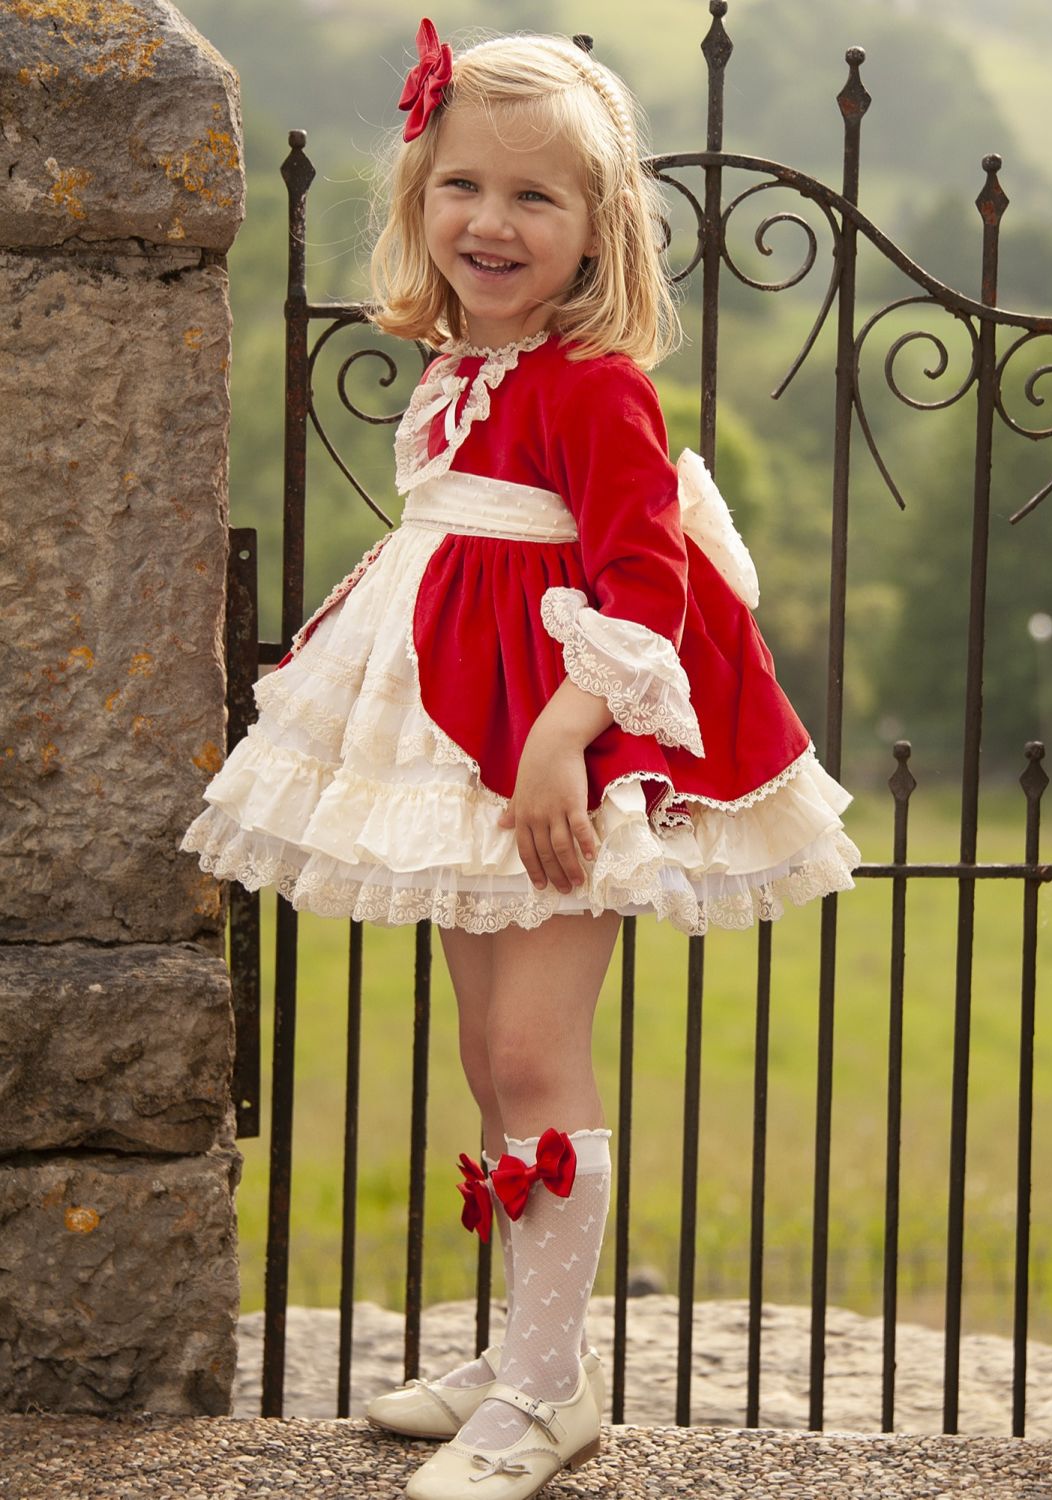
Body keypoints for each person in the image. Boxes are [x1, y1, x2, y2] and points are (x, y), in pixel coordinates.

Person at [180, 19, 860, 1499]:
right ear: (420, 193)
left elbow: (648, 582)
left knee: (541, 1055)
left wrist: (563, 737)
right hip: (465, 735)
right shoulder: (456, 362)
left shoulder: (594, 382)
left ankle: (547, 1398)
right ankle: (527, 1352)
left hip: (557, 750)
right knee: (494, 1058)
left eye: (535, 199)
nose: (490, 223)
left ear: (598, 228)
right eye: (462, 187)